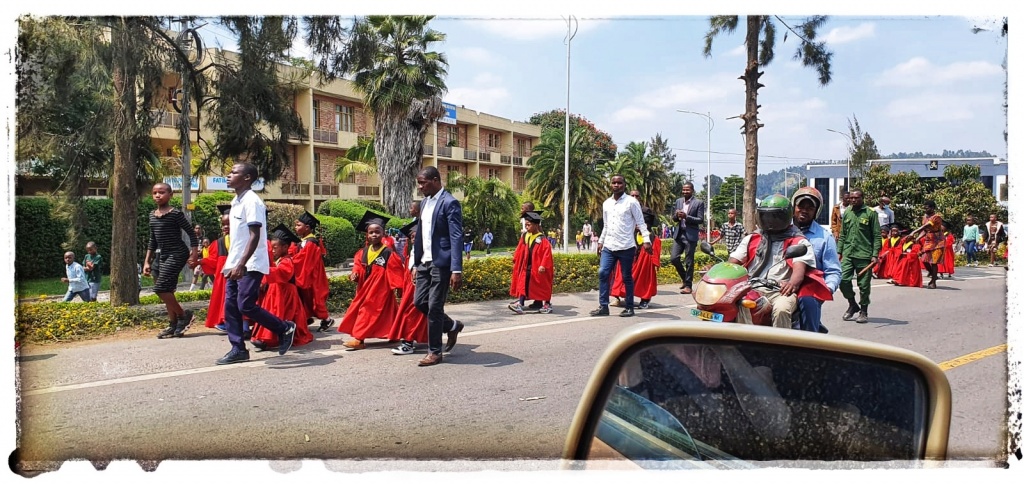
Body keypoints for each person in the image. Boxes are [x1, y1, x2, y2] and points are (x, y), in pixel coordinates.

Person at [215, 162, 297, 365]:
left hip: (250, 263)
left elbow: (255, 235)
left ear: (247, 178)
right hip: (236, 262)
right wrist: (234, 263)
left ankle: (283, 327)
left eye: (234, 172)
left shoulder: (252, 202)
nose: (228, 175)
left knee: (245, 305)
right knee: (230, 307)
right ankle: (238, 349)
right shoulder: (237, 200)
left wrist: (242, 263)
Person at [728, 194, 829, 328]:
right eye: (766, 216)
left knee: (781, 309)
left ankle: (781, 347)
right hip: (752, 287)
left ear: (786, 216)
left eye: (775, 217)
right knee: (737, 304)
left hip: (780, 291)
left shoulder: (798, 241)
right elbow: (733, 261)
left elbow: (799, 268)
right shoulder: (753, 238)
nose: (770, 221)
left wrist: (792, 283)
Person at [411, 166, 465, 366]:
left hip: (441, 263)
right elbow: (421, 235)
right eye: (419, 182)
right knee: (419, 303)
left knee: (434, 307)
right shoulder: (424, 203)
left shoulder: (450, 202)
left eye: (423, 182)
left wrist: (456, 269)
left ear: (435, 180)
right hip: (424, 261)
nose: (420, 186)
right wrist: (415, 264)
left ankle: (435, 352)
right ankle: (451, 325)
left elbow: (456, 236)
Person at [339, 212, 406, 350]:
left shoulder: (388, 252)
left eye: (377, 232)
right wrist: (355, 274)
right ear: (367, 235)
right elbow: (357, 266)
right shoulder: (362, 252)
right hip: (364, 288)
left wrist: (398, 287)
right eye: (371, 232)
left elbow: (395, 270)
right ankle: (394, 333)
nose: (374, 235)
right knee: (387, 312)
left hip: (380, 289)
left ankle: (359, 339)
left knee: (367, 311)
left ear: (383, 233)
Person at [143, 182, 200, 339]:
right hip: (162, 255)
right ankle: (173, 324)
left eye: (162, 192)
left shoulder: (175, 214)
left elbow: (191, 233)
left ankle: (184, 315)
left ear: (170, 195)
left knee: (161, 288)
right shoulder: (152, 215)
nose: (158, 195)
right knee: (166, 289)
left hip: (177, 253)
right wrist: (147, 261)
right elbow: (152, 240)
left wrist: (194, 254)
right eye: (155, 192)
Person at [591, 174, 652, 318]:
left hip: (626, 246)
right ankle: (603, 306)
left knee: (626, 277)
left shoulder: (631, 202)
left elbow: (640, 222)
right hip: (609, 246)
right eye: (614, 183)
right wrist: (601, 241)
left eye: (619, 183)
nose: (616, 185)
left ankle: (629, 307)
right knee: (603, 273)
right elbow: (606, 225)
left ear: (624, 185)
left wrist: (646, 240)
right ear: (610, 185)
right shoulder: (606, 203)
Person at [250, 225, 314, 352]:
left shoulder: (287, 261)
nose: (273, 250)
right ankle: (266, 338)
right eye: (271, 248)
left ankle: (276, 338)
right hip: (275, 292)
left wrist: (265, 271)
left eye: (275, 247)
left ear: (285, 247)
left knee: (285, 315)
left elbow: (283, 273)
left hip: (286, 294)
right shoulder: (279, 260)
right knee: (272, 313)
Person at [791, 187, 841, 333]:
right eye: (801, 206)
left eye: (810, 208)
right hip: (779, 282)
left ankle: (811, 342)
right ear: (794, 207)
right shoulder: (781, 230)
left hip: (809, 287)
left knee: (807, 300)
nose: (804, 211)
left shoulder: (824, 237)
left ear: (816, 211)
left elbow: (833, 271)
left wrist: (826, 289)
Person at [835, 189, 881, 323]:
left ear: (862, 198)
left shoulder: (870, 213)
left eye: (856, 198)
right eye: (851, 198)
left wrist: (875, 254)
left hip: (864, 255)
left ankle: (864, 311)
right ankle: (852, 304)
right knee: (842, 280)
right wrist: (839, 252)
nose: (853, 200)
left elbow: (877, 235)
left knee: (864, 285)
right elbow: (843, 234)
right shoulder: (848, 212)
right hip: (848, 253)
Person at [389, 218, 428, 355]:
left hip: (418, 290)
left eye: (416, 236)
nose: (413, 239)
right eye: (411, 236)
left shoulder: (425, 254)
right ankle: (450, 327)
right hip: (410, 291)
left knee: (411, 315)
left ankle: (408, 343)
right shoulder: (411, 253)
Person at [292, 210, 336, 332]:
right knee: (304, 297)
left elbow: (303, 260)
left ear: (307, 227)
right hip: (308, 275)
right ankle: (305, 318)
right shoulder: (303, 241)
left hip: (313, 276)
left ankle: (327, 319)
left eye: (298, 225)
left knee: (315, 298)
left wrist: (290, 261)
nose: (296, 227)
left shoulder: (311, 243)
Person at [508, 211, 554, 315]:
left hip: (538, 267)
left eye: (528, 225)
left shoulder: (542, 239)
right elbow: (520, 249)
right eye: (526, 224)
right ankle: (520, 304)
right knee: (523, 284)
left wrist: (543, 265)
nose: (526, 227)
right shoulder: (525, 236)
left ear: (536, 225)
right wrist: (516, 258)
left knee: (543, 285)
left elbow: (547, 254)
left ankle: (547, 304)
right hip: (526, 266)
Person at [671, 182, 705, 295]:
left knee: (689, 261)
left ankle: (688, 286)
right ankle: (685, 279)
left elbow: (700, 220)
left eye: (687, 190)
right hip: (679, 233)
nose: (685, 192)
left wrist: (687, 217)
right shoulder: (678, 201)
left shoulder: (698, 203)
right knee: (674, 258)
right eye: (684, 190)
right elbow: (674, 219)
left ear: (692, 190)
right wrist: (677, 215)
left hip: (691, 234)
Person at [201, 207, 232, 330]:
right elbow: (213, 261)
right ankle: (224, 321)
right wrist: (200, 261)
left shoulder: (243, 240)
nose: (225, 227)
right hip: (223, 277)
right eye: (223, 224)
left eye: (228, 224)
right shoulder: (218, 243)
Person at [631, 208, 663, 310]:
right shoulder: (633, 235)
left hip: (646, 266)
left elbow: (655, 253)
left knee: (645, 282)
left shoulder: (653, 238)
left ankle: (645, 300)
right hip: (634, 263)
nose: (637, 225)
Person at [913, 200, 945, 289]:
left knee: (934, 262)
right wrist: (918, 237)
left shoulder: (936, 217)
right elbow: (925, 230)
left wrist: (913, 232)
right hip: (928, 240)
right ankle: (933, 274)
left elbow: (925, 226)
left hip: (938, 241)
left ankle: (933, 282)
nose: (925, 209)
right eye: (925, 208)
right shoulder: (925, 217)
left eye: (927, 208)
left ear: (932, 208)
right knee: (924, 259)